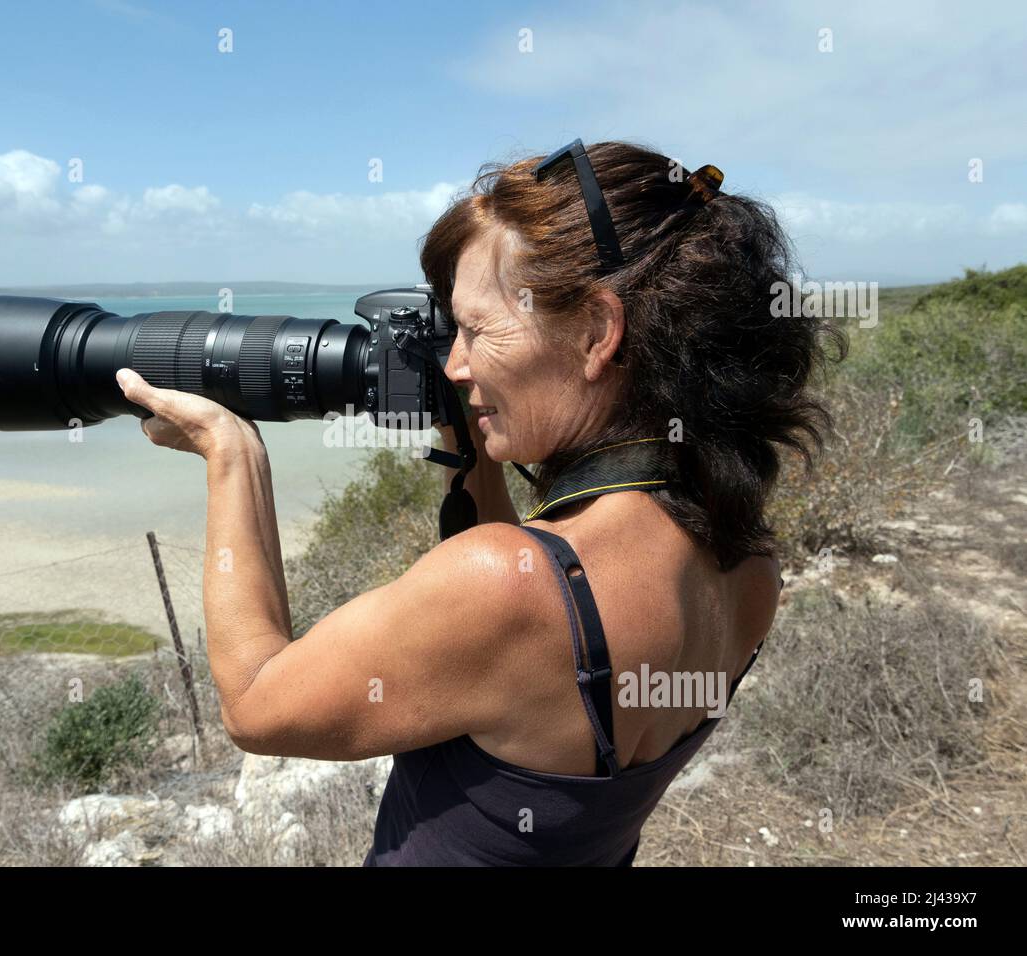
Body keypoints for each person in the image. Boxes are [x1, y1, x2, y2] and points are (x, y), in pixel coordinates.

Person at [113, 139, 842, 866]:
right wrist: (468, 442)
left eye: (476, 330)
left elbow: (254, 702)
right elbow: (546, 617)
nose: (455, 365)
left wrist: (231, 454)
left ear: (595, 332)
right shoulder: (748, 572)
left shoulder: (505, 591)